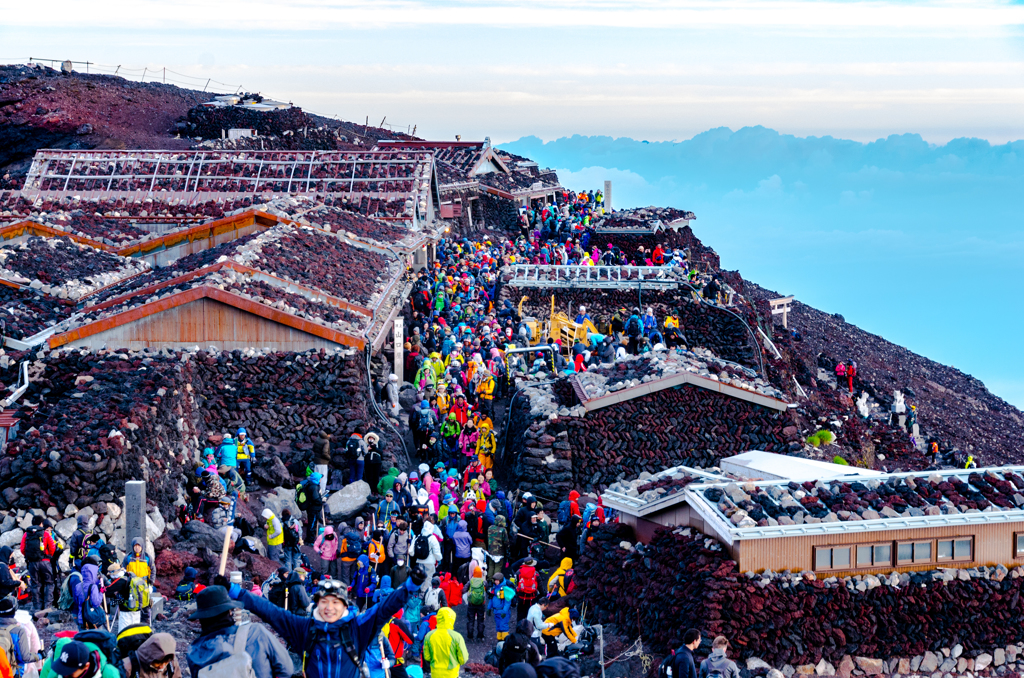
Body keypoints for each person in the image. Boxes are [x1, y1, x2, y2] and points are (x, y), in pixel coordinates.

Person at [230, 564, 427, 678]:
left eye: (335, 602)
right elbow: (271, 613)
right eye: (324, 601)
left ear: (344, 605)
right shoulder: (305, 629)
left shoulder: (357, 628)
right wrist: (238, 593)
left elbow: (384, 609)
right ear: (317, 603)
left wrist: (409, 586)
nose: (329, 607)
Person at [186, 586, 293, 678]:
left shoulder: (193, 653)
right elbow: (287, 669)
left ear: (202, 619)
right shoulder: (255, 633)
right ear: (229, 612)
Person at [21, 514, 56, 611]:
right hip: (45, 562)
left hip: (32, 563)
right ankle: (47, 607)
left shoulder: (26, 534)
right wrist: (48, 556)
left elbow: (22, 549)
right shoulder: (45, 533)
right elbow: (52, 547)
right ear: (41, 523)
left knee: (35, 584)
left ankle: (37, 607)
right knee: (49, 583)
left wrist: (30, 557)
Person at [422, 608, 468, 678]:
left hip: (435, 673)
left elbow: (427, 657)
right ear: (452, 619)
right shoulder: (457, 636)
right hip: (451, 673)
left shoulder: (429, 635)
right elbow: (463, 659)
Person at [41, 638, 119, 678]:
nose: (65, 675)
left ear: (86, 666)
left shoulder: (109, 674)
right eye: (62, 668)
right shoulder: (54, 667)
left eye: (70, 672)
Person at [0, 596, 40, 668]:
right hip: (12, 671)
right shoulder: (19, 630)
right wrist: (40, 656)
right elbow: (25, 657)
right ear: (13, 612)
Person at [488, 574, 515, 642]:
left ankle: (505, 641)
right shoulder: (495, 588)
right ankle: (500, 640)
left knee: (504, 626)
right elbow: (492, 598)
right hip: (496, 611)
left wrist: (504, 611)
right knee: (498, 626)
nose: (496, 582)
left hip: (502, 612)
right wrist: (489, 608)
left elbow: (507, 602)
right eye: (495, 580)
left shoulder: (505, 589)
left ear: (500, 580)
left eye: (497, 580)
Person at [463, 566, 487, 641]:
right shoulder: (483, 581)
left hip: (471, 603)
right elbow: (487, 588)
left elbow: (464, 590)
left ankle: (470, 636)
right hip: (481, 603)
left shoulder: (471, 581)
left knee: (470, 620)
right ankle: (480, 636)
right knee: (480, 620)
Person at [312, 431, 332, 496]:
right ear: (328, 434)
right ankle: (322, 494)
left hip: (316, 461)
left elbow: (314, 448)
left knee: (316, 478)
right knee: (323, 479)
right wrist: (329, 458)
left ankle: (315, 493)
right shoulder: (326, 441)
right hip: (323, 463)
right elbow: (324, 453)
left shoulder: (318, 438)